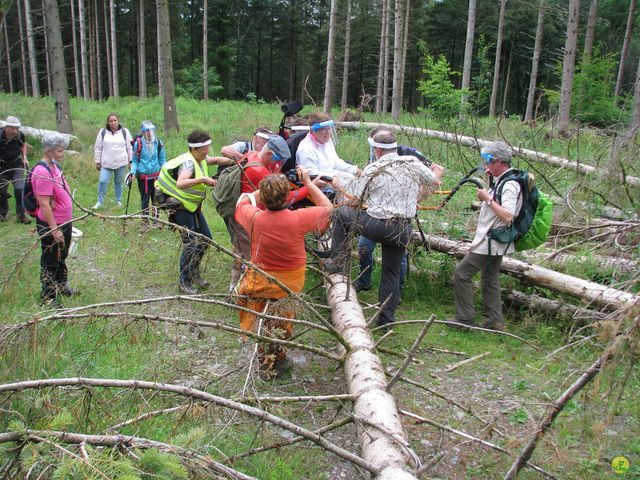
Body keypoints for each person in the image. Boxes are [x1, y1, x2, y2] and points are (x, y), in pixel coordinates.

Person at [325, 131, 444, 329]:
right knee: (391, 271)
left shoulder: (374, 168)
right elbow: (435, 181)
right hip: (402, 228)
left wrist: (339, 188)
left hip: (377, 225)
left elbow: (355, 200)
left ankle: (337, 262)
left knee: (341, 213)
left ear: (377, 150)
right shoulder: (413, 163)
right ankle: (386, 320)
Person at [235, 166, 332, 378]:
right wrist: (307, 183)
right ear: (287, 195)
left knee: (246, 297)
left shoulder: (254, 217)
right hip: (291, 281)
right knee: (283, 318)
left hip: (260, 278)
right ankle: (277, 355)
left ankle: (260, 348)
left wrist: (261, 191)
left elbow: (242, 200)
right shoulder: (300, 218)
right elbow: (328, 208)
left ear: (265, 197)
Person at [355, 128, 444, 294]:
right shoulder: (375, 163)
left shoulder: (410, 158)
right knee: (364, 246)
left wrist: (415, 199)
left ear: (379, 149)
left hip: (390, 221)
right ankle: (365, 281)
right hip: (380, 215)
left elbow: (434, 180)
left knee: (398, 260)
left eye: (374, 148)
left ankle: (398, 291)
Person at [452, 142, 522, 331]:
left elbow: (508, 216)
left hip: (491, 241)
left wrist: (487, 198)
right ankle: (495, 321)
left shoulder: (510, 184)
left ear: (499, 161)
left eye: (488, 162)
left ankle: (465, 319)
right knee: (490, 278)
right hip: (495, 241)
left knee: (462, 274)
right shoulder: (503, 179)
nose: (486, 166)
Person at [156, 130, 228, 294]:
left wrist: (237, 161)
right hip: (181, 207)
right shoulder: (188, 163)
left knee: (206, 238)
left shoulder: (200, 159)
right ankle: (184, 282)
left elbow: (216, 159)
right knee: (190, 244)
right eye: (205, 148)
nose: (207, 151)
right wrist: (204, 179)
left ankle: (193, 271)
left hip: (192, 207)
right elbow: (181, 183)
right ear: (195, 149)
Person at [227, 134, 297, 289]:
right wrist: (308, 187)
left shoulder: (252, 155)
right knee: (251, 257)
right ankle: (248, 290)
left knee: (239, 253)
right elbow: (283, 196)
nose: (279, 164)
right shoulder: (259, 171)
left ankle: (234, 287)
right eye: (278, 160)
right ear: (270, 154)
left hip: (242, 214)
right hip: (248, 219)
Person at [32, 133, 76, 306]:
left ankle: (61, 285)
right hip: (52, 224)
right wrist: (54, 229)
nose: (63, 152)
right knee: (50, 259)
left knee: (62, 255)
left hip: (64, 221)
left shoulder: (54, 166)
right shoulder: (42, 171)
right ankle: (48, 295)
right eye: (59, 150)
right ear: (48, 150)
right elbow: (44, 204)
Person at [295, 112, 360, 191]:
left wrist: (355, 170)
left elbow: (336, 162)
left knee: (354, 180)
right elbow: (311, 174)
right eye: (324, 129)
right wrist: (331, 176)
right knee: (348, 188)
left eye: (329, 129)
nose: (328, 133)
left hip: (331, 173)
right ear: (313, 131)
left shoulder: (326, 140)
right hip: (320, 182)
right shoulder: (306, 148)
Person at [93, 113, 133, 209]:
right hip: (106, 163)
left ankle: (118, 201)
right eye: (111, 121)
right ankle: (99, 201)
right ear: (108, 122)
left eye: (115, 120)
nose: (113, 122)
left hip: (121, 163)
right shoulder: (103, 132)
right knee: (103, 181)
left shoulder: (124, 132)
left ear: (118, 121)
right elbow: (98, 147)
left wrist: (131, 161)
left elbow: (130, 147)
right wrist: (97, 161)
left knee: (118, 182)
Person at [129, 121, 166, 219]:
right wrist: (132, 172)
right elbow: (135, 161)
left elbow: (162, 159)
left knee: (157, 199)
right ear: (143, 132)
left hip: (156, 177)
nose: (150, 133)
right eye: (147, 131)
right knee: (145, 200)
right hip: (143, 177)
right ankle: (145, 221)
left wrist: (165, 171)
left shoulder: (158, 143)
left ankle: (156, 221)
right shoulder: (139, 144)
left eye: (152, 130)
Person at [0, 116, 30, 224]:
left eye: (17, 128)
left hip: (16, 164)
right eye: (13, 128)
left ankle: (21, 216)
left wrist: (24, 158)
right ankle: (2, 213)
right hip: (2, 166)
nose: (15, 131)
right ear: (7, 127)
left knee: (19, 189)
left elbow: (23, 146)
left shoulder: (19, 135)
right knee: (2, 190)